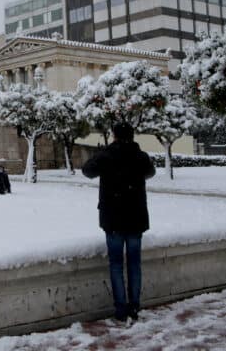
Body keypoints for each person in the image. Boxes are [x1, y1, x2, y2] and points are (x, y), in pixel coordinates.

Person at [82, 122, 155, 322]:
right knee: (134, 264)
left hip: (113, 219)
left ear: (114, 136)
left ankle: (121, 309)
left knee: (116, 264)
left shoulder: (107, 155)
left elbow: (87, 171)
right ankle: (134, 306)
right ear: (132, 136)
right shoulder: (140, 156)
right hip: (136, 217)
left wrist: (102, 153)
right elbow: (150, 172)